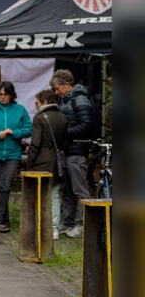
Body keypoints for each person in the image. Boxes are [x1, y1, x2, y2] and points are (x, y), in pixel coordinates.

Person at [0, 81, 32, 233]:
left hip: (12, 154)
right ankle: (5, 222)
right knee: (1, 186)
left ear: (11, 95)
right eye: (0, 94)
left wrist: (13, 133)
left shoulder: (20, 109)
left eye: (6, 94)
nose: (3, 97)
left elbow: (29, 129)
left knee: (5, 185)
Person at [50, 69, 93, 238]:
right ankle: (68, 223)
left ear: (67, 85)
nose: (56, 92)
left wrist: (65, 133)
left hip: (76, 150)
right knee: (67, 189)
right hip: (68, 151)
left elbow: (86, 125)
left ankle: (82, 224)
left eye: (57, 88)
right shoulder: (67, 101)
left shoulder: (80, 100)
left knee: (80, 189)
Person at [26, 89, 67, 240]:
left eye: (37, 103)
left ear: (44, 102)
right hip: (57, 160)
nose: (36, 106)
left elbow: (35, 144)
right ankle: (54, 228)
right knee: (55, 195)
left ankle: (39, 226)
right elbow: (64, 140)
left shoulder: (39, 118)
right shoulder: (62, 116)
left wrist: (29, 163)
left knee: (38, 195)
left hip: (41, 161)